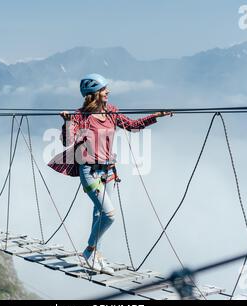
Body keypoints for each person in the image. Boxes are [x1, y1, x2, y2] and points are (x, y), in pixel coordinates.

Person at [48, 73, 172, 274]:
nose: (108, 91)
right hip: (89, 172)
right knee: (109, 215)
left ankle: (95, 253)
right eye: (105, 89)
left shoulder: (112, 111)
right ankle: (89, 251)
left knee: (99, 215)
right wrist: (67, 122)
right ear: (94, 93)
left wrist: (156, 115)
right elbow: (67, 142)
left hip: (109, 172)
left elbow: (132, 126)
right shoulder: (80, 117)